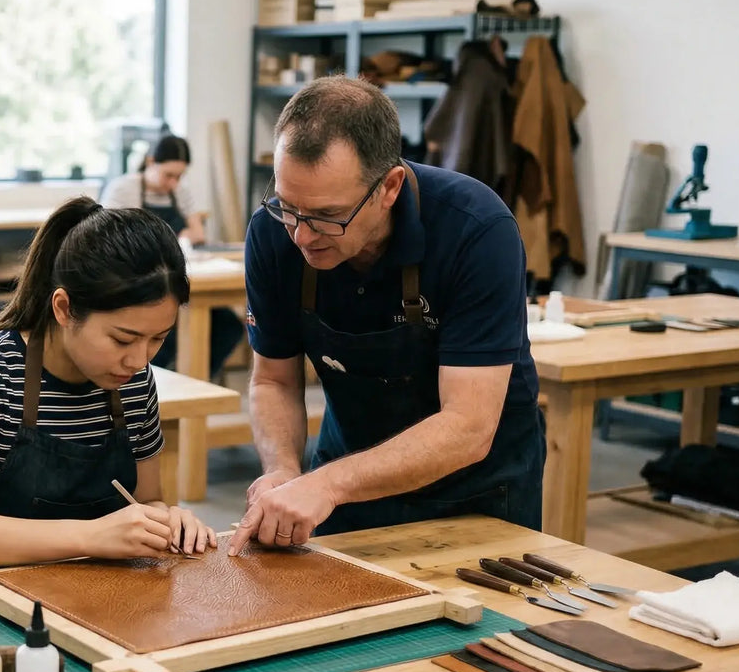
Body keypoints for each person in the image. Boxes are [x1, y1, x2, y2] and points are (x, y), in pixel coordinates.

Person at [227, 76, 543, 556]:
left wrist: (326, 483)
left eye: (327, 216)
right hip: (345, 480)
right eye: (288, 207)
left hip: (473, 493)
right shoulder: (273, 234)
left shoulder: (476, 230)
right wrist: (284, 471)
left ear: (389, 187)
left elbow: (468, 427)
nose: (301, 236)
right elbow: (273, 380)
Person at [0, 198, 216, 594]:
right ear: (64, 308)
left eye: (158, 339)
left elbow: (145, 500)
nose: (139, 360)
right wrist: (89, 537)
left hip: (77, 598)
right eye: (123, 339)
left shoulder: (133, 383)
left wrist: (165, 520)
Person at [100, 135, 243, 378]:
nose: (173, 183)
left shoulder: (180, 192)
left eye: (179, 176)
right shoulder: (124, 189)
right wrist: (177, 235)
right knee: (166, 330)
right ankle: (151, 381)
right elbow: (110, 239)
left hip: (177, 279)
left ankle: (191, 380)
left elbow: (198, 234)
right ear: (150, 162)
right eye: (168, 175)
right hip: (138, 281)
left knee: (229, 327)